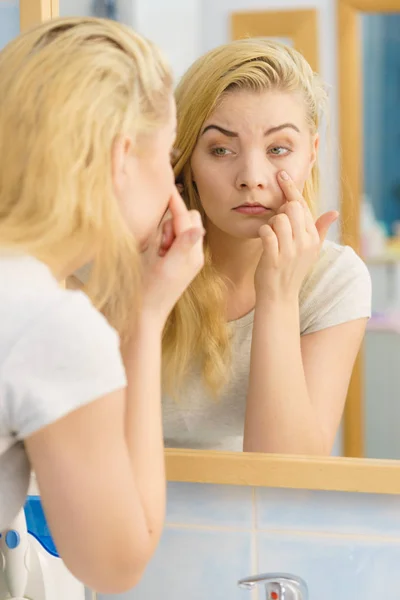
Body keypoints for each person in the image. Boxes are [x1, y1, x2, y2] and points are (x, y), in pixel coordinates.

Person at [0, 17, 204, 594]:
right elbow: (114, 564)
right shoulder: (49, 322)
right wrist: (145, 319)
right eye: (167, 155)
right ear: (120, 157)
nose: (173, 183)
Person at [161, 39, 371, 455]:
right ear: (184, 160)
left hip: (255, 516)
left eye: (278, 149)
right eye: (221, 149)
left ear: (310, 155)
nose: (251, 177)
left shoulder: (334, 280)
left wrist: (278, 294)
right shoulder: (122, 263)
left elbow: (287, 475)